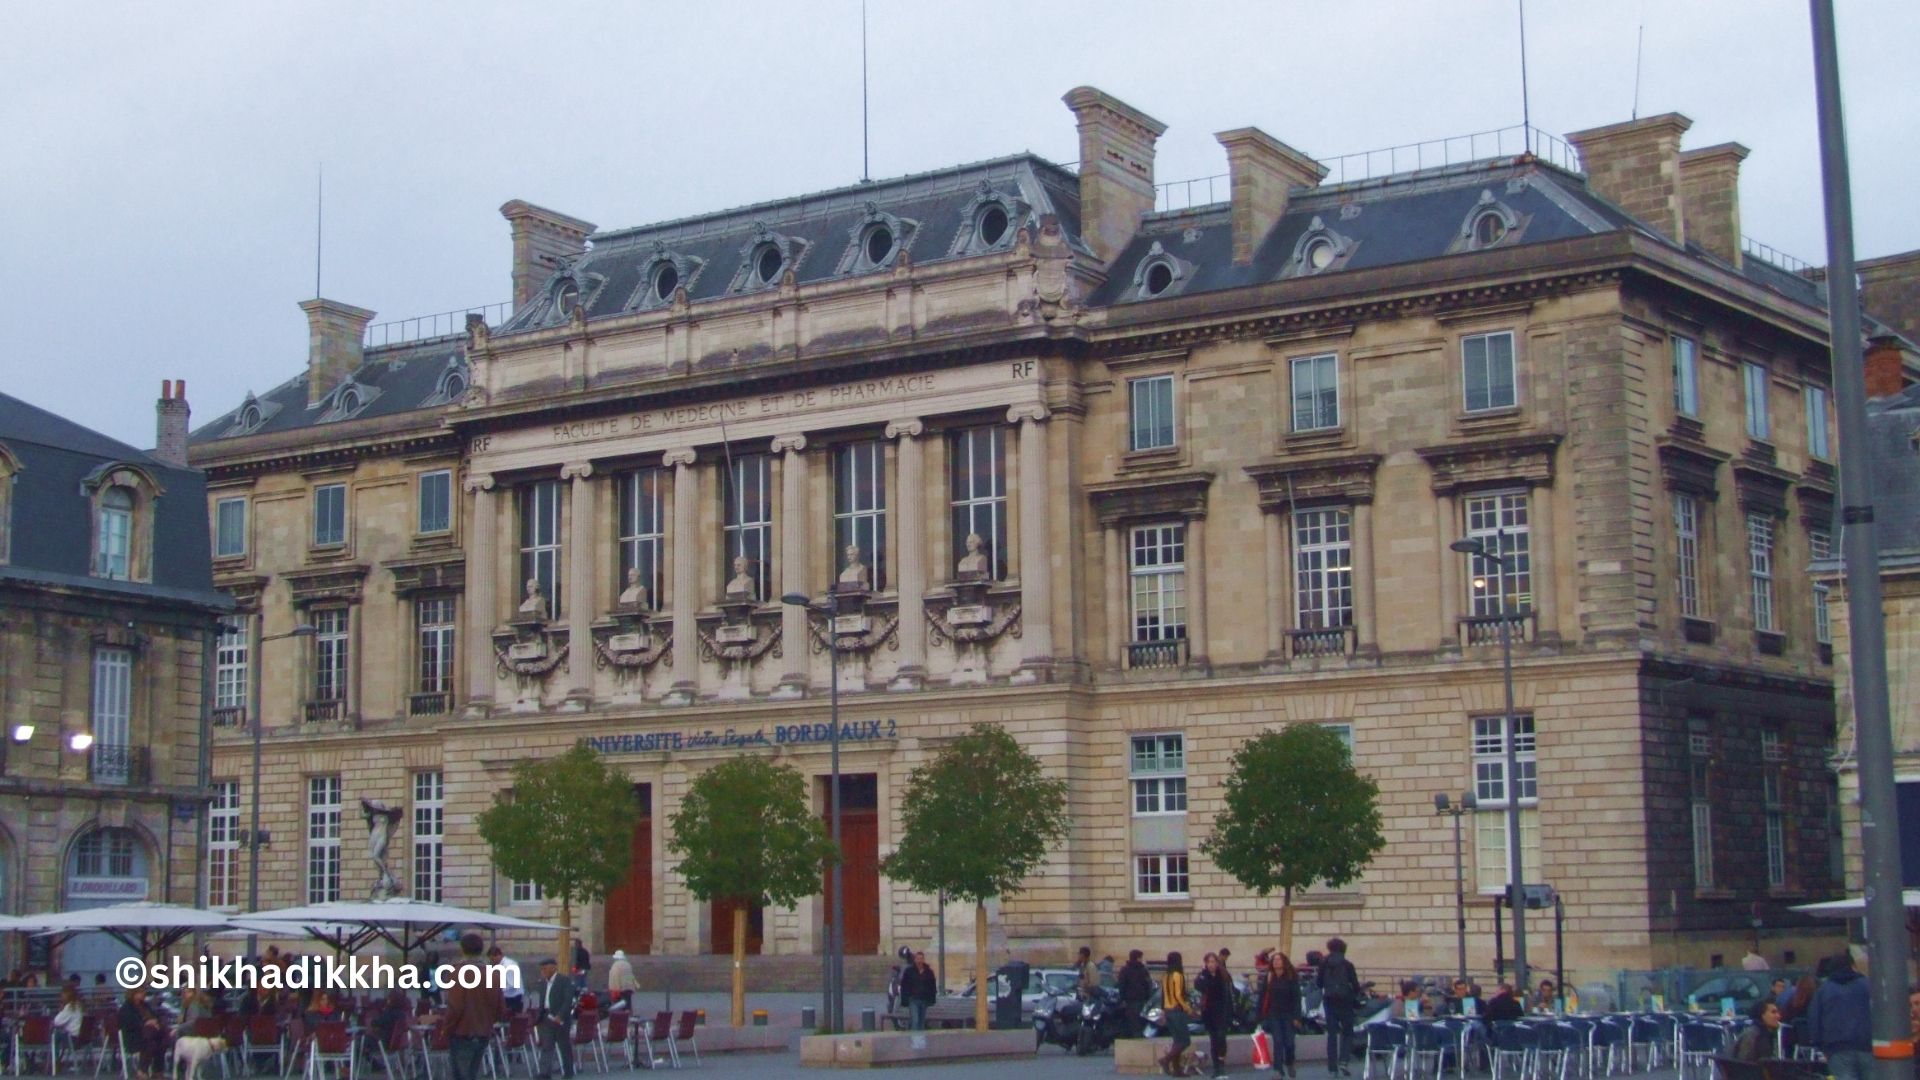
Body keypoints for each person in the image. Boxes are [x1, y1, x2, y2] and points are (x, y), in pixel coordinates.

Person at [444, 932, 505, 1080]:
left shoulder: (458, 972)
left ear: (463, 949)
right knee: (472, 1072)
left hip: (462, 1032)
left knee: (461, 1074)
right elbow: (500, 1008)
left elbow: (455, 1007)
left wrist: (446, 1028)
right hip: (483, 1032)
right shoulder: (493, 974)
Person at [1810, 951, 1872, 1080]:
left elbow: (1814, 1019)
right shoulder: (1867, 985)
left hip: (1837, 1049)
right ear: (1852, 966)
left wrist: (1820, 1045)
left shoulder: (1824, 990)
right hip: (1868, 1046)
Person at [1317, 937, 1360, 1075]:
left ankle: (1332, 1065)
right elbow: (1355, 984)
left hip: (1329, 1001)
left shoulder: (1323, 963)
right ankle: (1344, 1061)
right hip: (1345, 1001)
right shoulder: (1348, 964)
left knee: (1332, 1034)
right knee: (1347, 1032)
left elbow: (1318, 983)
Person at [1261, 951, 1302, 1079]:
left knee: (1289, 1042)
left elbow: (1297, 998)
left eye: (1279, 960)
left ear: (1284, 962)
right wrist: (1260, 1016)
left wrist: (1297, 1017)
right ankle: (1278, 1070)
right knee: (1278, 1041)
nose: (1276, 962)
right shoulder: (1269, 977)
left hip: (1288, 1015)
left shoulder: (1291, 977)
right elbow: (1262, 997)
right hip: (1274, 1014)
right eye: (1274, 960)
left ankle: (1290, 1062)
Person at [534, 957, 577, 1080]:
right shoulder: (542, 983)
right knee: (547, 1045)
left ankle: (568, 1072)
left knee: (564, 1046)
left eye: (545, 968)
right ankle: (544, 1073)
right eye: (541, 969)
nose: (543, 971)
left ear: (553, 967)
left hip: (560, 1017)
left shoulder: (564, 980)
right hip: (546, 1017)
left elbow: (568, 1000)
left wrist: (561, 1015)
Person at [1156, 952, 1194, 1078]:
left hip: (1167, 1010)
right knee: (1185, 1041)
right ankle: (1166, 1060)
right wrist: (1187, 1008)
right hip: (1177, 1010)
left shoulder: (1165, 975)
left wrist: (1162, 1011)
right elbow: (1178, 995)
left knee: (1177, 1041)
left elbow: (1163, 995)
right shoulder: (1178, 975)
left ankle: (1177, 1070)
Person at [1196, 952, 1233, 1078]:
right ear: (1205, 963)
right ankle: (1216, 1067)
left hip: (1222, 1011)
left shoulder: (1223, 975)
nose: (1211, 964)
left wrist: (1230, 1013)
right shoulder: (1203, 976)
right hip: (1209, 1012)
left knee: (1221, 1037)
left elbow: (1229, 994)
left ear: (1217, 963)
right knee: (1214, 1040)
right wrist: (1203, 975)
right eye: (1209, 962)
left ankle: (1221, 1063)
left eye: (1213, 962)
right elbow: (1199, 987)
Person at [118, 986, 166, 1080]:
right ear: (133, 994)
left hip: (150, 1035)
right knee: (150, 1044)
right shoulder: (126, 1008)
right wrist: (146, 1023)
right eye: (140, 992)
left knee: (162, 1043)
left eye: (143, 992)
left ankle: (157, 1071)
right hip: (134, 1038)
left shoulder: (145, 1005)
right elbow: (130, 1024)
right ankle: (142, 1071)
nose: (143, 994)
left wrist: (155, 1021)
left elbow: (155, 1016)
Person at [1118, 950, 1153, 1039]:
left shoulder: (1125, 970)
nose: (1142, 959)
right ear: (1138, 958)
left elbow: (1121, 985)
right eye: (1141, 957)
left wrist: (1122, 999)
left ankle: (1135, 1038)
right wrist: (1148, 997)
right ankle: (1139, 1038)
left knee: (1133, 1021)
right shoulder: (1143, 970)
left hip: (1130, 999)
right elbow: (1148, 984)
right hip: (1141, 999)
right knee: (1141, 1021)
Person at [901, 951, 939, 1030]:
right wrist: (905, 999)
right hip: (913, 1000)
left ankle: (920, 1041)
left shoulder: (929, 972)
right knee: (915, 1021)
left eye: (921, 959)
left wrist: (932, 999)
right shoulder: (909, 971)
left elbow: (932, 986)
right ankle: (914, 1040)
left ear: (923, 960)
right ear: (915, 960)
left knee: (921, 1022)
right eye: (917, 959)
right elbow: (904, 986)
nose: (919, 961)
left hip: (924, 1000)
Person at [490, 946, 525, 1015]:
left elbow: (513, 985)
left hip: (513, 998)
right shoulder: (503, 965)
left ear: (498, 956)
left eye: (492, 959)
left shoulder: (509, 965)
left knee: (511, 1020)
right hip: (509, 997)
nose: (492, 961)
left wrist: (498, 992)